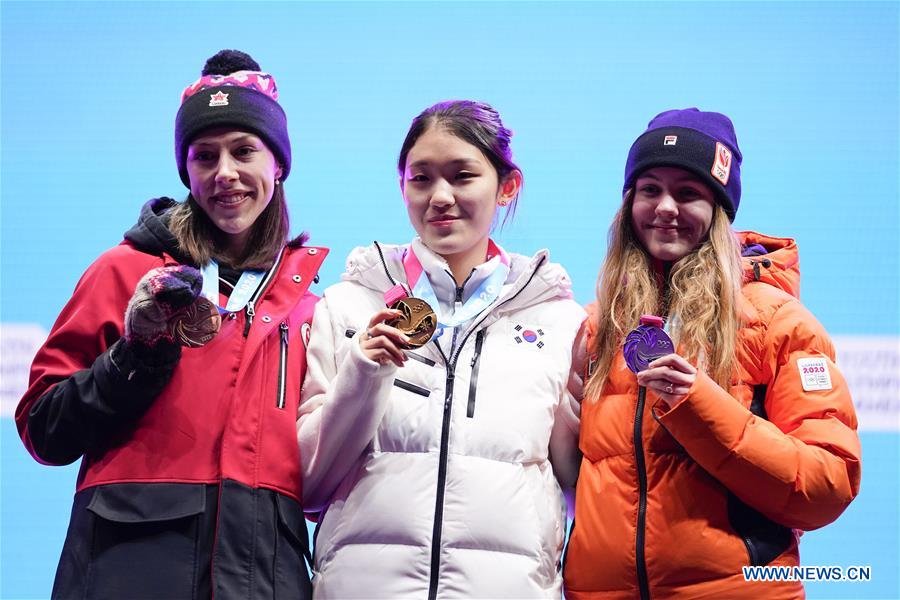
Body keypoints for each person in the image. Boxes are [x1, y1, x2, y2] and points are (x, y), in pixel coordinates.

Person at [15, 49, 326, 599]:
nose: (225, 173)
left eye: (244, 151)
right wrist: (136, 354)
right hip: (126, 572)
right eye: (205, 156)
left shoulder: (309, 306)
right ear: (187, 171)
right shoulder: (126, 270)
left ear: (278, 163)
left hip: (264, 576)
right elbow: (45, 429)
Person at [563, 108, 861, 599]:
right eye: (650, 189)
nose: (665, 207)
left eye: (688, 193)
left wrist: (697, 402)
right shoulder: (598, 325)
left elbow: (827, 486)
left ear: (720, 209)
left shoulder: (774, 323)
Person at [298, 100, 585, 598]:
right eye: (422, 178)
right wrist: (364, 372)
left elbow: (579, 485)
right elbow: (308, 485)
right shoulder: (346, 308)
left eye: (462, 176)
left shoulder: (559, 322)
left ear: (507, 186)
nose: (441, 196)